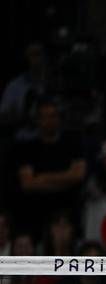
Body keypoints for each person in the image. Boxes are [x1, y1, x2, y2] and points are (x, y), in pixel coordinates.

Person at [15, 98, 86, 239]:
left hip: (69, 211)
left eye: (53, 116)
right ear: (38, 120)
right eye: (45, 117)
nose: (50, 121)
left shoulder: (72, 143)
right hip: (38, 213)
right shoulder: (27, 149)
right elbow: (27, 184)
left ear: (59, 118)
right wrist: (65, 180)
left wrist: (42, 178)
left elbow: (78, 175)